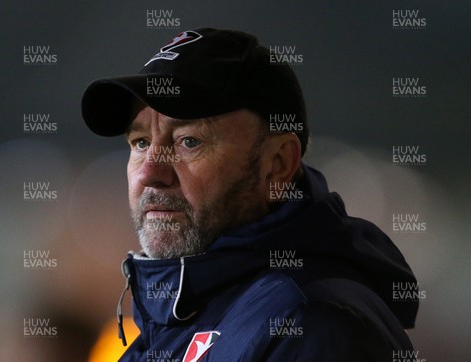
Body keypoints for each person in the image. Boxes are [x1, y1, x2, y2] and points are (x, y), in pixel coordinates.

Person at [81, 28, 419, 361]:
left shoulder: (311, 324)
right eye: (141, 143)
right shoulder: (174, 322)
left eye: (189, 141)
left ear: (277, 163)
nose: (150, 173)